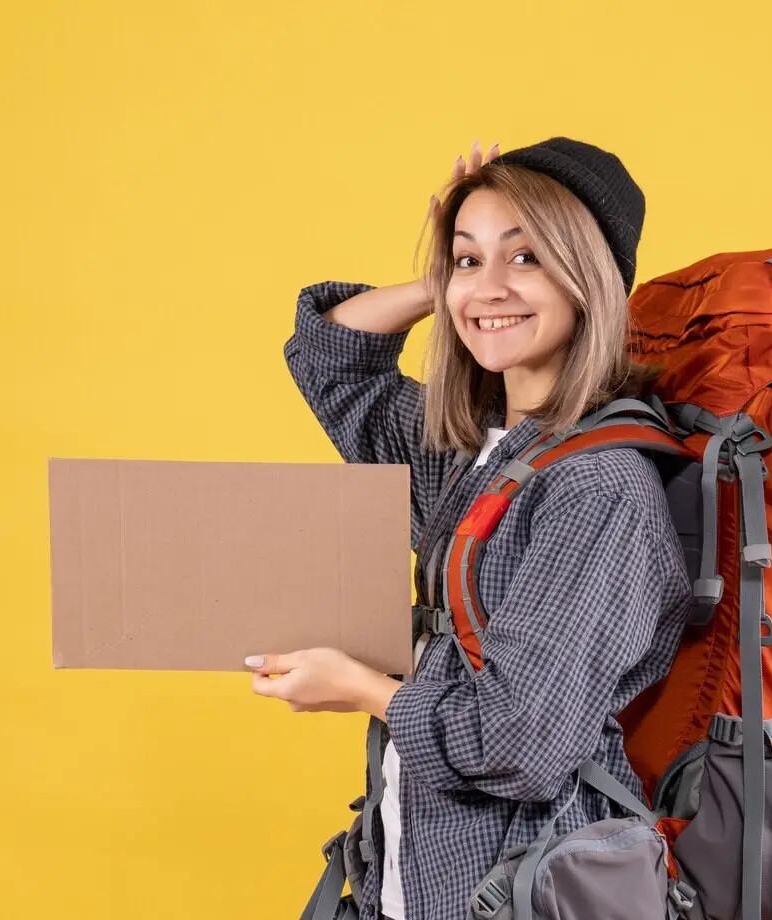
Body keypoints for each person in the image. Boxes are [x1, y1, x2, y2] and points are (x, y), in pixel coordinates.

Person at [246, 138, 692, 920]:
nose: (489, 288)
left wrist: (360, 690)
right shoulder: (471, 452)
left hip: (520, 887)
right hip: (419, 876)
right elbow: (330, 360)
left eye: (526, 259)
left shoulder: (599, 489)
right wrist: (439, 285)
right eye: (467, 258)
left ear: (586, 278)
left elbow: (517, 740)